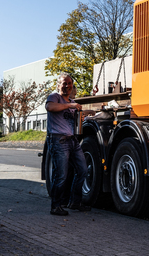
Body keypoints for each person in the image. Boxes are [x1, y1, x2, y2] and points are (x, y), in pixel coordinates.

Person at [45, 73, 90, 216]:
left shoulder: (71, 101)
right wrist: (70, 105)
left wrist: (87, 114)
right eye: (64, 83)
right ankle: (56, 206)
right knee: (61, 175)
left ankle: (75, 202)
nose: (67, 86)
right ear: (58, 84)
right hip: (58, 140)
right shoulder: (54, 97)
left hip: (72, 140)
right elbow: (50, 107)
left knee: (83, 170)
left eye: (69, 83)